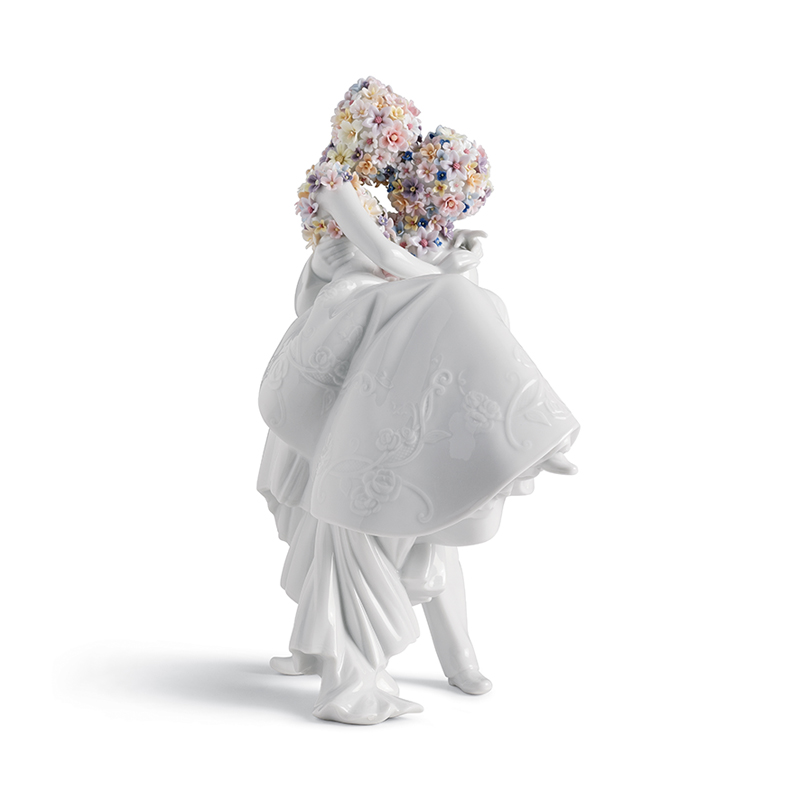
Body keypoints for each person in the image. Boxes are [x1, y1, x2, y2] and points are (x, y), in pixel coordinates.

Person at [257, 78, 579, 724]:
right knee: (466, 306)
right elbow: (380, 257)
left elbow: (400, 257)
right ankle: (529, 437)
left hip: (380, 331)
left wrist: (452, 257)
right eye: (389, 131)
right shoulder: (335, 183)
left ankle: (521, 438)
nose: (397, 145)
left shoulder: (387, 196)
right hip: (346, 333)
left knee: (425, 489)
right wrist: (444, 279)